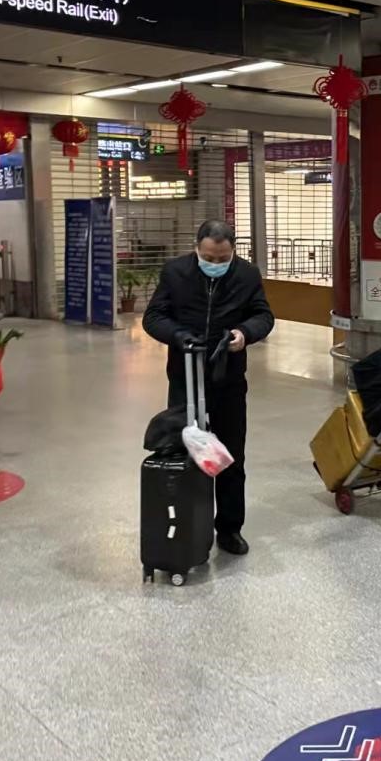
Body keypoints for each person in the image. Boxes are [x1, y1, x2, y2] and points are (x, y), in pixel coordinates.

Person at [142, 220, 275, 556]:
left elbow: (263, 316)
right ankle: (187, 524)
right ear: (196, 248)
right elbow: (153, 317)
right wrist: (178, 335)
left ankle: (229, 528)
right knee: (186, 451)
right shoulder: (175, 272)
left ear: (233, 251)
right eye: (209, 258)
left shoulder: (247, 275)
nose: (215, 264)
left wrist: (244, 333)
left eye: (223, 259)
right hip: (185, 378)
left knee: (229, 457)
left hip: (228, 380)